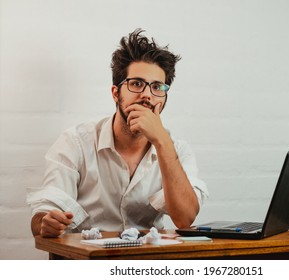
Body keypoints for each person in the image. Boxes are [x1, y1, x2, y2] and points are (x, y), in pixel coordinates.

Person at [27, 29, 208, 238]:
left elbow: (185, 219)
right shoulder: (75, 142)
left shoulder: (176, 149)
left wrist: (162, 142)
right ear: (116, 93)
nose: (147, 95)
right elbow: (43, 214)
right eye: (137, 84)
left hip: (147, 263)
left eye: (157, 87)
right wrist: (46, 222)